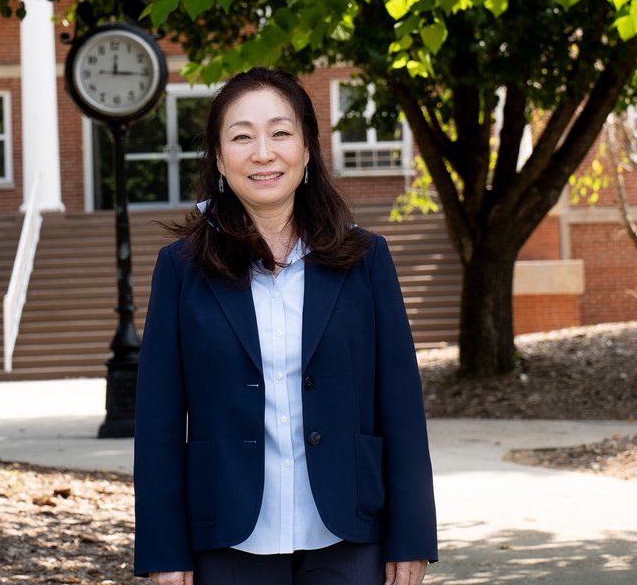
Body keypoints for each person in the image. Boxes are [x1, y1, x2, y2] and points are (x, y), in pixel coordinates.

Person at [133, 68, 438, 585]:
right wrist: (165, 550)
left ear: (307, 149)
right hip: (226, 535)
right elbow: (158, 420)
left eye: (280, 132)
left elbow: (401, 406)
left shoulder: (365, 259)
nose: (263, 152)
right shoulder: (181, 269)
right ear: (218, 159)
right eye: (241, 136)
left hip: (349, 531)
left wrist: (411, 535)